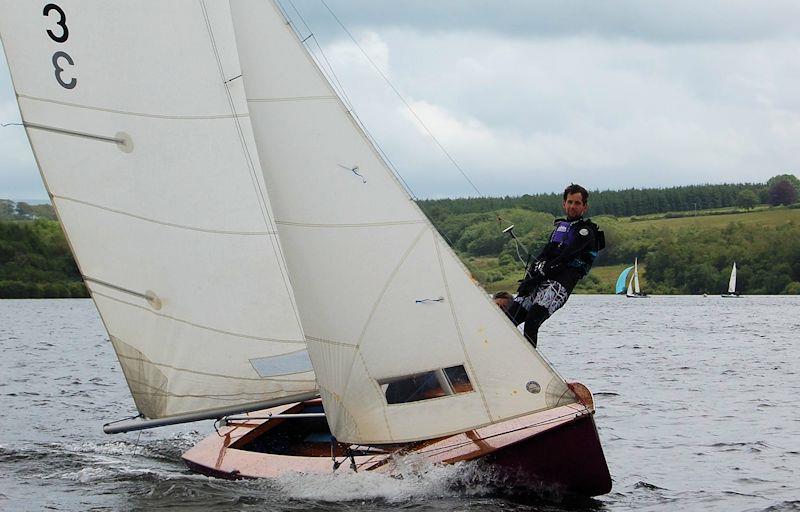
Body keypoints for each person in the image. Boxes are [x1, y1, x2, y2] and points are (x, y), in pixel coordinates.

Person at [507, 184, 604, 347]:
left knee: (532, 321)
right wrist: (529, 278)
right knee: (509, 318)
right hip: (542, 279)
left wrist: (540, 274)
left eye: (577, 203)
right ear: (564, 204)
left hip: (560, 285)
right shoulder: (560, 228)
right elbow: (545, 253)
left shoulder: (586, 232)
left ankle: (531, 368)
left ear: (584, 207)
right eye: (570, 202)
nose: (572, 206)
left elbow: (566, 257)